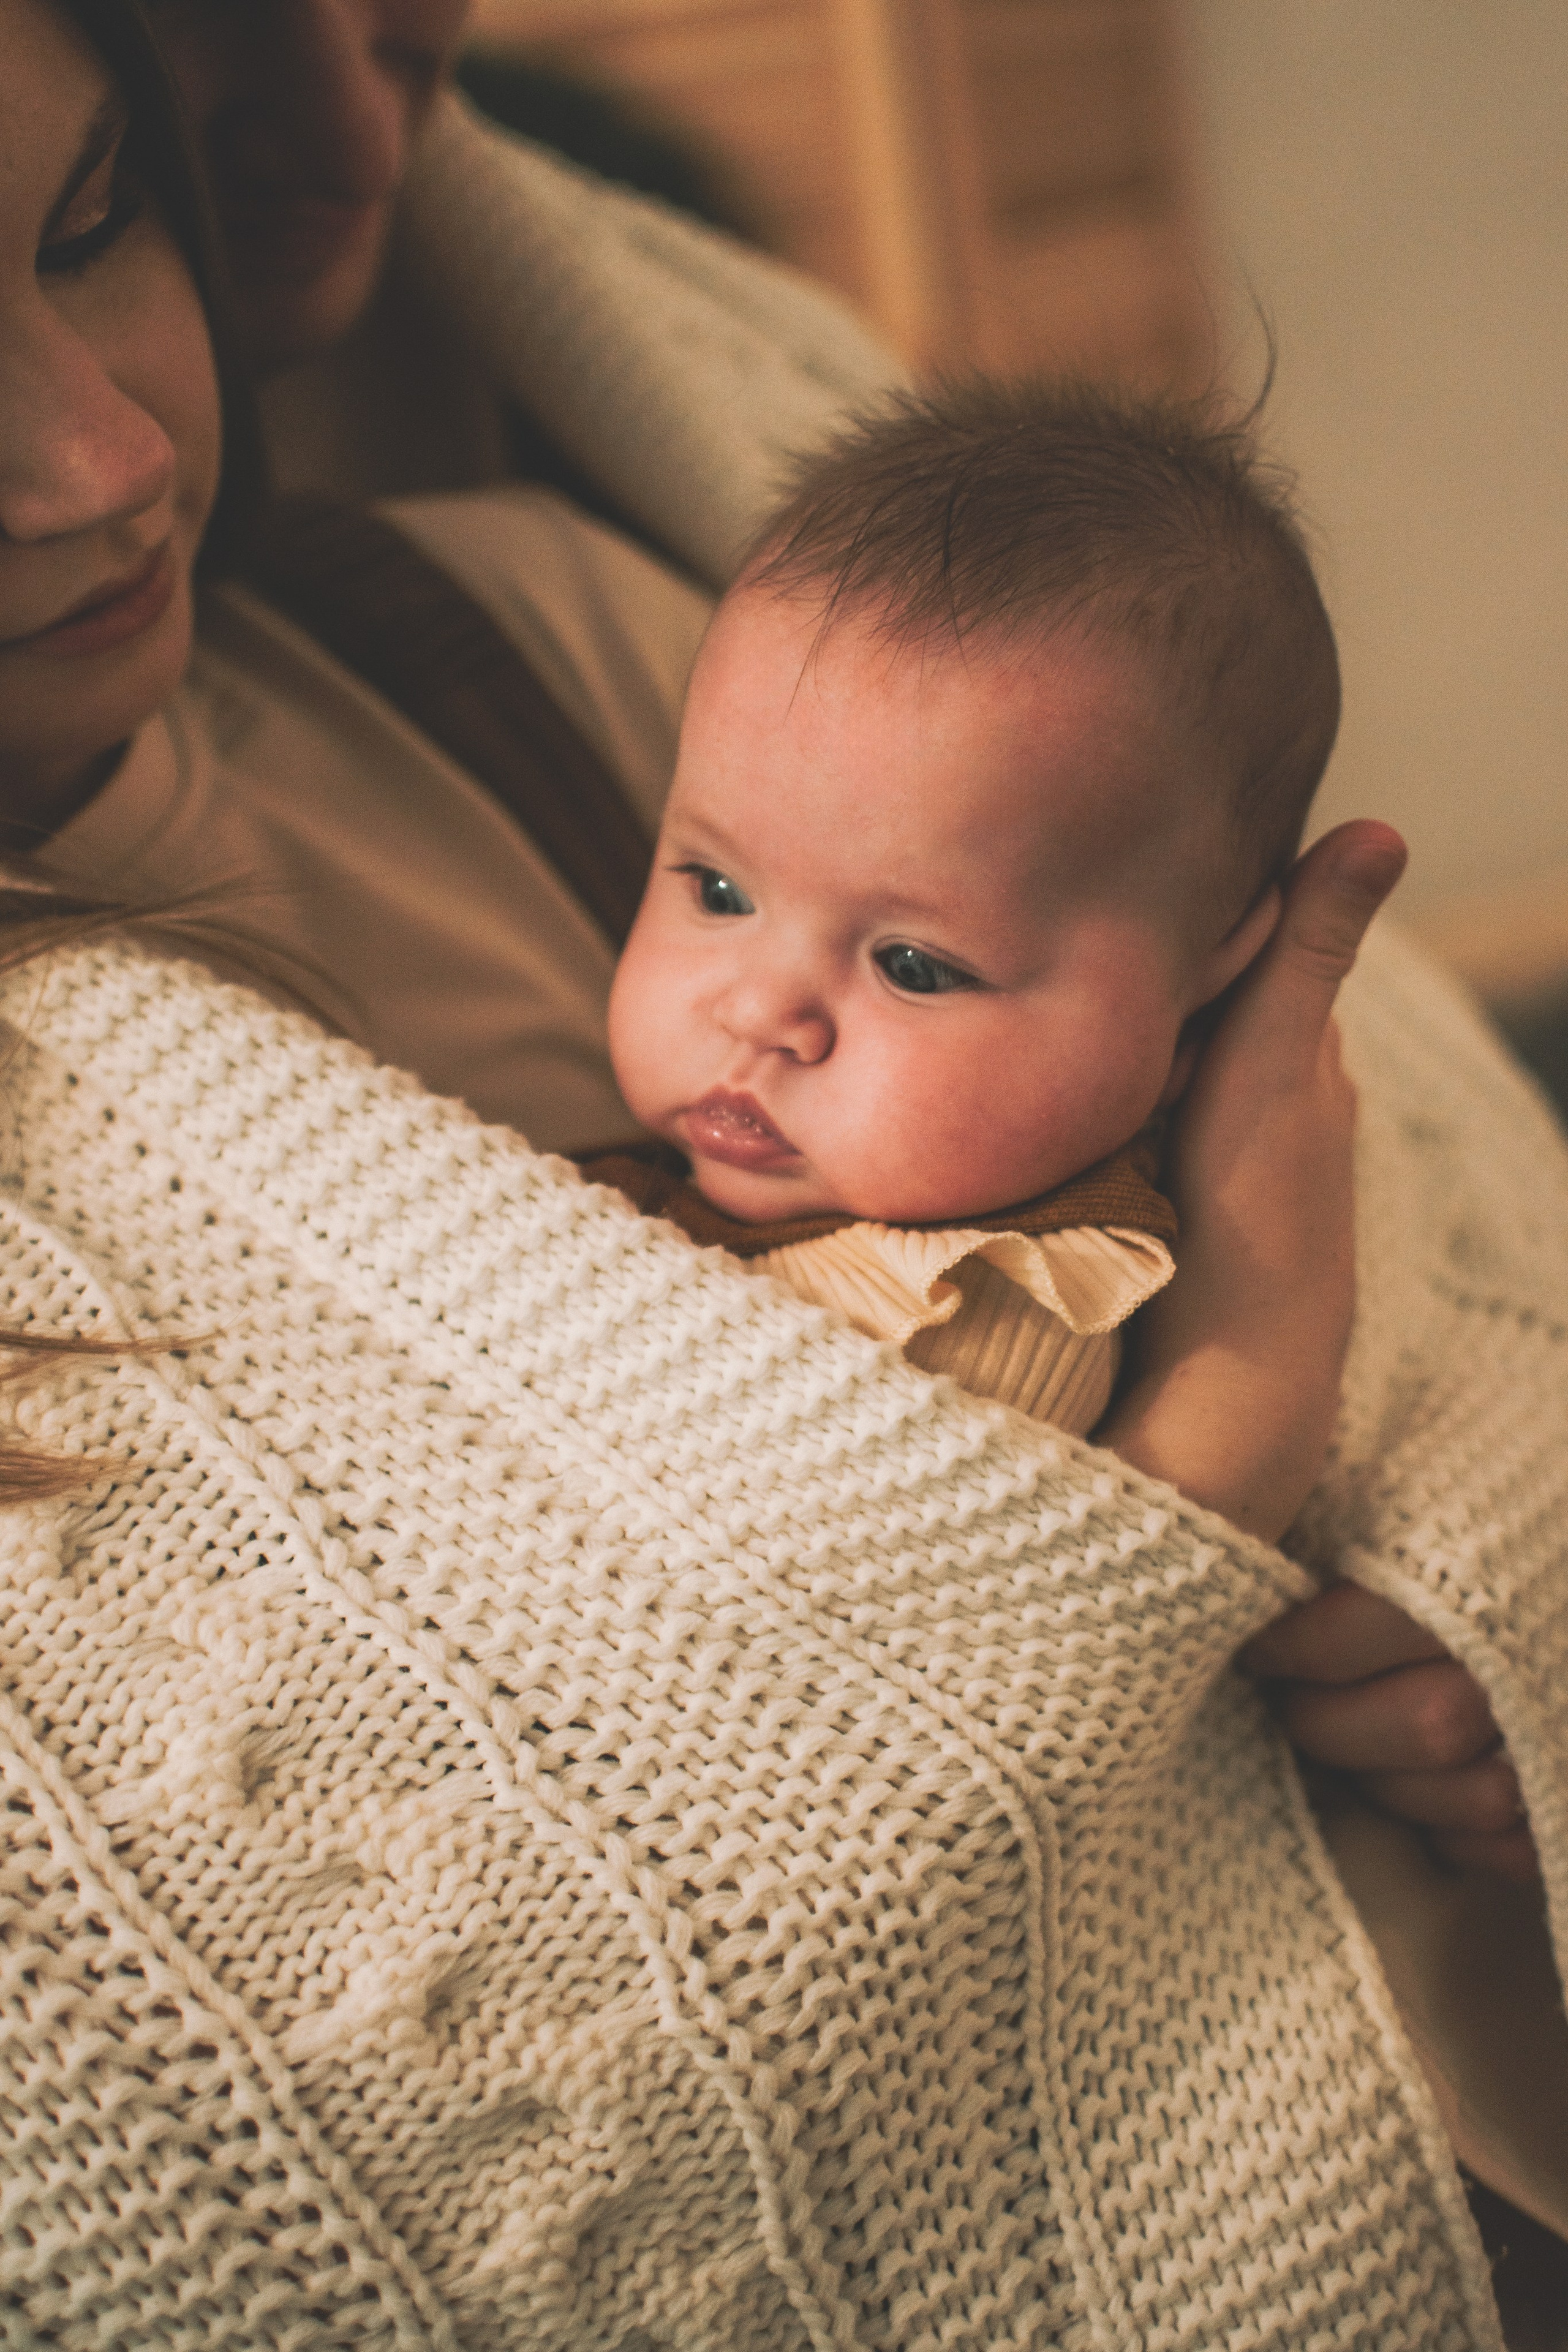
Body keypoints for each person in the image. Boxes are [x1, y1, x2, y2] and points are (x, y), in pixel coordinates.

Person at [2, 4, 1564, 2338]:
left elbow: (1442, 1203)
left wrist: (1473, 1627)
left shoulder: (498, 624)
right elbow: (696, 1981)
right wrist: (1244, 1399)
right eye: (707, 895)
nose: (103, 453)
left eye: (88, 222)